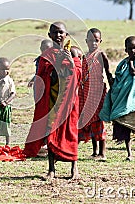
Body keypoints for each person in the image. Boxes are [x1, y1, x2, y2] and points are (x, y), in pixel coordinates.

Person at [23, 21, 82, 180]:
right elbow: (46, 77)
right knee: (50, 134)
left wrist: (69, 60)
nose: (58, 35)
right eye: (55, 32)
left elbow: (77, 76)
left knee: (71, 133)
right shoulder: (46, 57)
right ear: (49, 35)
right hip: (52, 102)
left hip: (69, 103)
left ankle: (74, 169)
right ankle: (51, 170)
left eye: (61, 32)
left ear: (66, 35)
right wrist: (57, 62)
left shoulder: (74, 53)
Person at [99, 36, 135, 162]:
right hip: (123, 100)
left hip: (133, 102)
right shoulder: (122, 64)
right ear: (125, 50)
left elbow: (134, 72)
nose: (133, 51)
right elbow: (119, 80)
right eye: (130, 49)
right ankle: (129, 153)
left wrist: (131, 61)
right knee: (125, 130)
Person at [78, 28, 113, 161]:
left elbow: (108, 73)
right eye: (91, 41)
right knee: (91, 123)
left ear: (100, 41)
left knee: (99, 122)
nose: (93, 43)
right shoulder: (85, 56)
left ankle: (102, 153)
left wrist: (113, 90)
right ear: (86, 41)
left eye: (96, 41)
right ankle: (95, 152)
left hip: (98, 94)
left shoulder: (100, 55)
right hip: (86, 94)